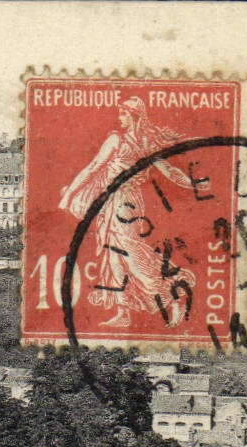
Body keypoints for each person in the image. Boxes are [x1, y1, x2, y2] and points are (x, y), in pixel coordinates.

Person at [58, 97, 199, 328]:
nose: (119, 118)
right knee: (112, 256)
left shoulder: (146, 143)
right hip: (109, 201)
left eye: (123, 114)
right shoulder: (115, 139)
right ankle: (123, 312)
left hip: (127, 203)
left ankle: (173, 294)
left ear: (134, 116)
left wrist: (192, 184)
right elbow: (93, 168)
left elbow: (170, 171)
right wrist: (69, 194)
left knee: (130, 255)